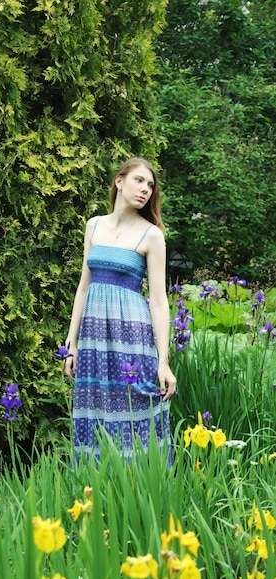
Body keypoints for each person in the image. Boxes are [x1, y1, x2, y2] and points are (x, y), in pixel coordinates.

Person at [63, 156, 176, 460]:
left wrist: (163, 361)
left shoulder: (151, 235)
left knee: (133, 410)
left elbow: (159, 300)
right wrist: (71, 344)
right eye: (139, 180)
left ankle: (139, 491)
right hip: (94, 338)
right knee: (94, 410)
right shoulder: (94, 226)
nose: (146, 190)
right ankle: (92, 493)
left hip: (132, 337)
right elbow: (83, 287)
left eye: (151, 185)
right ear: (119, 181)